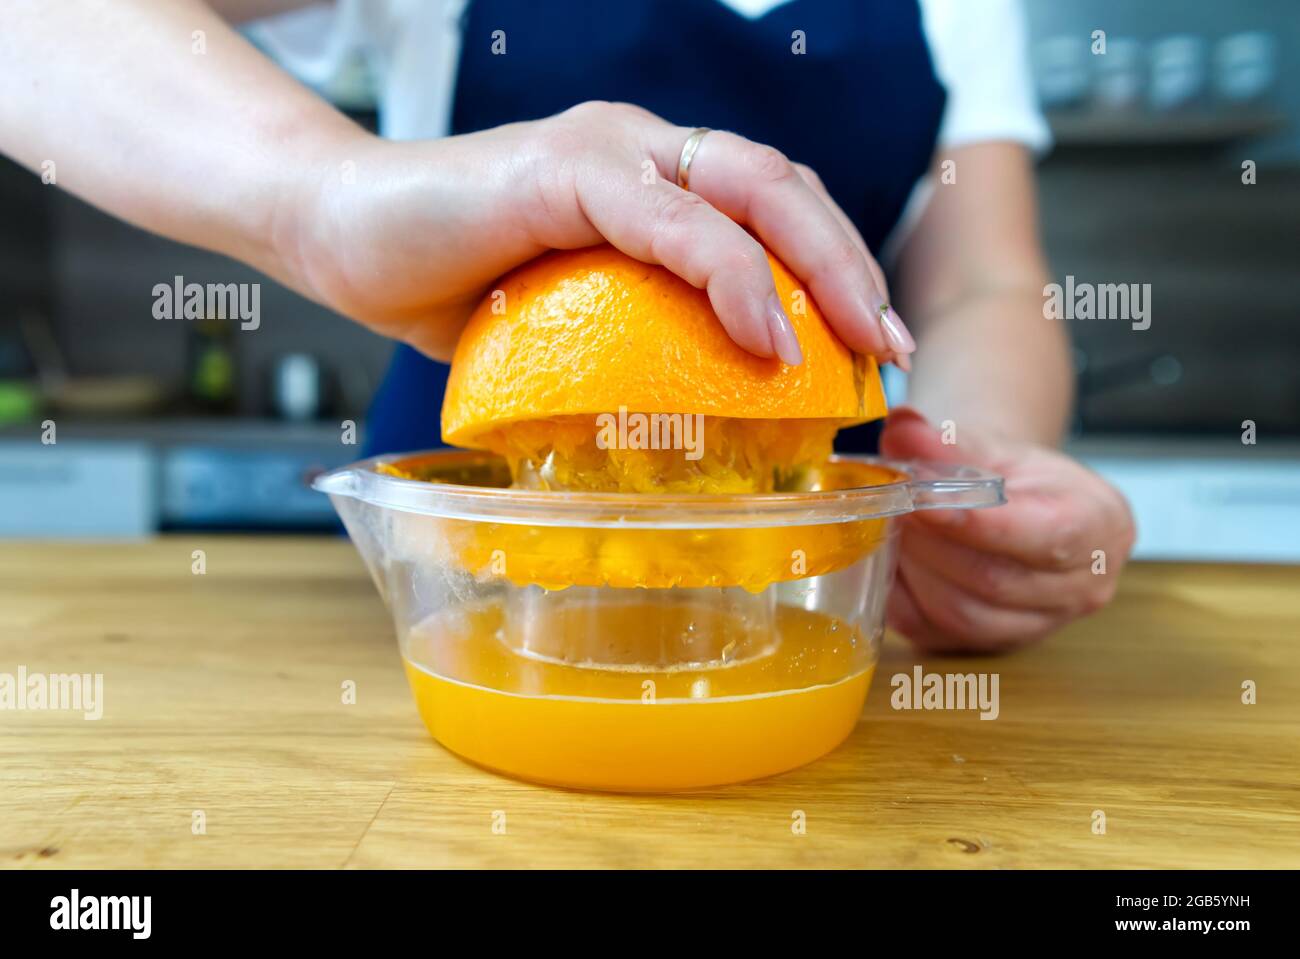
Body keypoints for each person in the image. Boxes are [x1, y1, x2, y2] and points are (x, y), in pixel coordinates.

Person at [0, 0, 1134, 651]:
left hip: (804, 598)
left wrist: (969, 470)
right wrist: (324, 200)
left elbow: (979, 281)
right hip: (464, 597)